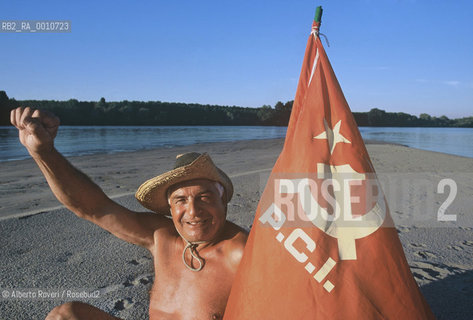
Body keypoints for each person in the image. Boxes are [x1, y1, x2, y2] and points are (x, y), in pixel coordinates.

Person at [10, 107, 248, 320]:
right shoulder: (162, 237)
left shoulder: (242, 253)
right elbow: (94, 208)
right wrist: (43, 152)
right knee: (66, 315)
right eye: (180, 200)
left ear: (223, 201)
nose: (193, 211)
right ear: (170, 208)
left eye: (204, 198)